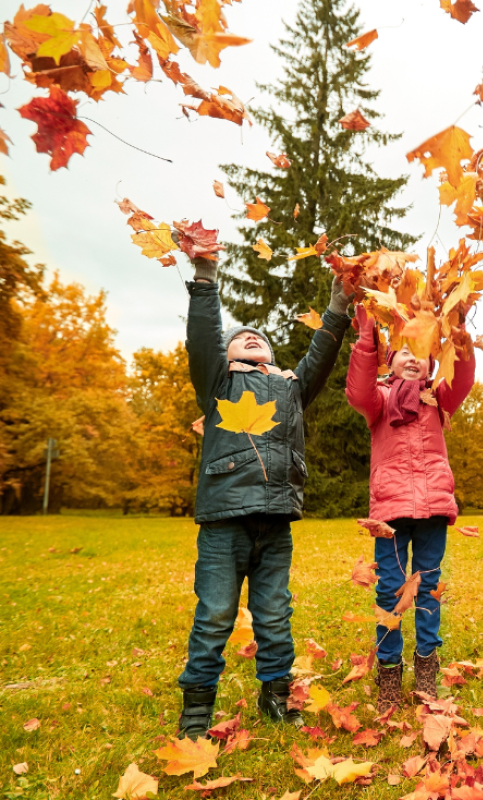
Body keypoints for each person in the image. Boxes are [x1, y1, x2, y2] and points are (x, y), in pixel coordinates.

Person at [177, 249, 352, 740]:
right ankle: (196, 709)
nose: (250, 336)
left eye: (260, 338)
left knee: (275, 614)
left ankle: (276, 695)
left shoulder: (291, 390)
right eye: (240, 338)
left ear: (273, 357)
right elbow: (203, 339)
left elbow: (320, 357)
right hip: (224, 520)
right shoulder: (218, 384)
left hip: (275, 522)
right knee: (214, 615)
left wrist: (337, 307)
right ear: (227, 355)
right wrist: (206, 280)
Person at [345, 305, 475, 706]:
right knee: (390, 590)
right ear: (390, 360)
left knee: (429, 587)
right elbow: (358, 389)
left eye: (421, 351)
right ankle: (388, 674)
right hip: (391, 511)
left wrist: (458, 330)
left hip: (434, 506)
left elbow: (463, 379)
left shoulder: (438, 398)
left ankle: (426, 669)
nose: (413, 357)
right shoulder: (379, 401)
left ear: (432, 361)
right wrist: (368, 332)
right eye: (404, 350)